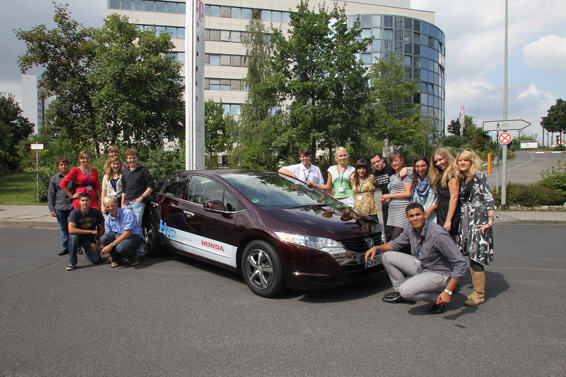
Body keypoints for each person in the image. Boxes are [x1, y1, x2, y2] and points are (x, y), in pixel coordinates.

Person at [365, 203, 467, 314]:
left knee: (406, 290)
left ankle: (438, 299)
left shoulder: (437, 234)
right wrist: (377, 248)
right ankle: (402, 294)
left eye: (418, 214)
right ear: (407, 218)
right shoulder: (410, 229)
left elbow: (460, 263)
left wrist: (448, 291)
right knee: (387, 256)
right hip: (423, 266)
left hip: (440, 273)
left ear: (425, 215)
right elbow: (396, 244)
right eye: (412, 216)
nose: (415, 218)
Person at [456, 149, 495, 306]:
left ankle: (479, 293)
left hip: (478, 221)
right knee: (463, 254)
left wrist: (490, 220)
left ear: (472, 162)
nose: (462, 163)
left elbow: (488, 198)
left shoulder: (479, 176)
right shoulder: (461, 178)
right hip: (464, 222)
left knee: (476, 256)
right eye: (460, 161)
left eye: (466, 160)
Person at [121, 148, 154, 258]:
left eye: (134, 158)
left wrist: (141, 198)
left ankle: (140, 251)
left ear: (137, 158)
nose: (132, 160)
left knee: (137, 227)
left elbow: (151, 186)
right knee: (126, 228)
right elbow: (123, 189)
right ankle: (128, 250)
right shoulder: (124, 171)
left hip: (138, 203)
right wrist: (122, 203)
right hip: (127, 203)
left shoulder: (143, 170)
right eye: (130, 158)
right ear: (127, 159)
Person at [100, 195, 144, 267]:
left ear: (117, 203)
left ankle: (133, 259)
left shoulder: (127, 213)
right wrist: (110, 253)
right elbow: (109, 236)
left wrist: (111, 245)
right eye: (107, 207)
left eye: (112, 205)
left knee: (120, 247)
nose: (110, 208)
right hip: (120, 237)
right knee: (104, 238)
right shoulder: (108, 219)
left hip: (134, 237)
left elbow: (127, 234)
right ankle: (117, 259)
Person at [66, 193, 104, 271]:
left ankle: (86, 252)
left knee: (96, 260)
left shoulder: (96, 212)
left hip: (89, 239)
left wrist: (98, 244)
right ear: (79, 202)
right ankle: (72, 262)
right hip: (78, 237)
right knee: (73, 237)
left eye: (87, 200)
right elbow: (71, 230)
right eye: (82, 200)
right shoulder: (74, 213)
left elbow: (101, 228)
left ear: (90, 201)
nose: (85, 202)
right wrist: (90, 231)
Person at [380, 152, 412, 242]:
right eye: (392, 162)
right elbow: (396, 193)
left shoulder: (406, 173)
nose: (394, 163)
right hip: (393, 211)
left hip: (402, 211)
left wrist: (389, 195)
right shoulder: (392, 177)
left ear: (401, 160)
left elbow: (408, 193)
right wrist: (387, 200)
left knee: (396, 240)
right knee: (402, 241)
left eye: (396, 160)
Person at [430, 148, 460, 242]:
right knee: (445, 242)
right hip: (442, 210)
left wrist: (448, 220)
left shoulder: (452, 174)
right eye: (436, 161)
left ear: (447, 157)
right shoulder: (441, 174)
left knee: (450, 242)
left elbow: (454, 197)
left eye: (441, 159)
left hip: (450, 211)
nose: (439, 163)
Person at [48, 157, 75, 256]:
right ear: (58, 166)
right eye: (61, 165)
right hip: (60, 206)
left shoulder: (73, 177)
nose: (63, 166)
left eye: (65, 164)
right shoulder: (55, 178)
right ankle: (66, 247)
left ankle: (77, 246)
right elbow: (51, 194)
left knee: (74, 227)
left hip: (72, 205)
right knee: (63, 227)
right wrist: (51, 208)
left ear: (68, 165)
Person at [370, 152, 396, 241]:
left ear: (382, 160)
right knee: (387, 229)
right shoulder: (375, 174)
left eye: (378, 161)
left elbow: (406, 170)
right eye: (374, 163)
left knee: (397, 228)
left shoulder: (391, 168)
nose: (376, 164)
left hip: (396, 201)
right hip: (385, 203)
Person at [411, 156, 437, 223]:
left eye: (423, 166)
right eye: (417, 166)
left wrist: (431, 208)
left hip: (433, 217)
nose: (420, 169)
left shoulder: (434, 180)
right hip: (418, 218)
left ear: (428, 166)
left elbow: (441, 199)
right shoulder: (414, 182)